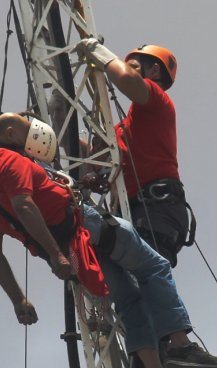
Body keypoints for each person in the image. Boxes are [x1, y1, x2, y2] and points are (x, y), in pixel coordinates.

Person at [0, 113, 217, 368]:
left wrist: (18, 298)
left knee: (129, 298)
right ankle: (180, 345)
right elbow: (25, 206)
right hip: (86, 229)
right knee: (153, 268)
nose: (31, 127)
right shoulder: (10, 161)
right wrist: (56, 252)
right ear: (10, 135)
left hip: (74, 254)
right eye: (25, 125)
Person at [76, 39, 192, 268]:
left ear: (155, 70)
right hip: (133, 212)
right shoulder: (126, 128)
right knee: (126, 292)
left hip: (157, 209)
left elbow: (126, 79)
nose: (126, 69)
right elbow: (96, 161)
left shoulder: (159, 102)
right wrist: (60, 119)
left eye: (135, 66)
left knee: (145, 281)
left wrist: (99, 53)